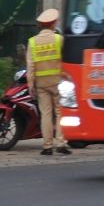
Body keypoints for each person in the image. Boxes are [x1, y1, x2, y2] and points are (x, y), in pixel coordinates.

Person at [27, 9, 71, 156]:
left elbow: (30, 65)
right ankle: (61, 144)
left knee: (46, 114)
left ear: (41, 25)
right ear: (53, 24)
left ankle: (47, 146)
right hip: (58, 82)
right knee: (60, 112)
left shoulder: (32, 42)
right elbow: (66, 60)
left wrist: (30, 84)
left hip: (41, 84)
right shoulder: (59, 39)